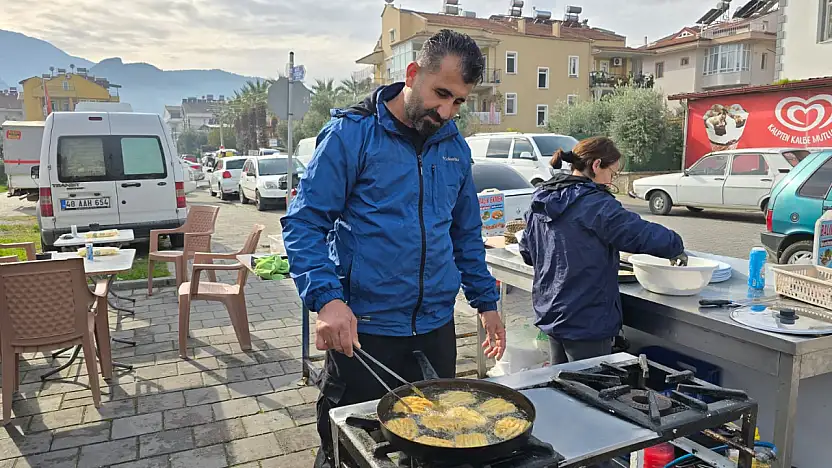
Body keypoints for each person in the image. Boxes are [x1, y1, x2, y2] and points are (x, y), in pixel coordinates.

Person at [280, 29, 506, 468]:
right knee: (351, 452)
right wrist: (327, 300)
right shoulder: (351, 135)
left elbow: (464, 233)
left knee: (438, 445)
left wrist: (486, 301)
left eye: (459, 102)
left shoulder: (454, 145)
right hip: (366, 335)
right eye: (442, 94)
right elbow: (305, 222)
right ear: (413, 73)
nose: (447, 111)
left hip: (436, 331)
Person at [519, 137, 686, 365]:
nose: (611, 181)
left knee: (559, 387)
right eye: (612, 173)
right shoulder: (595, 204)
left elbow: (528, 252)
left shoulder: (541, 198)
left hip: (551, 312)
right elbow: (637, 233)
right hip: (586, 319)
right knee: (591, 392)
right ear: (596, 165)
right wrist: (674, 245)